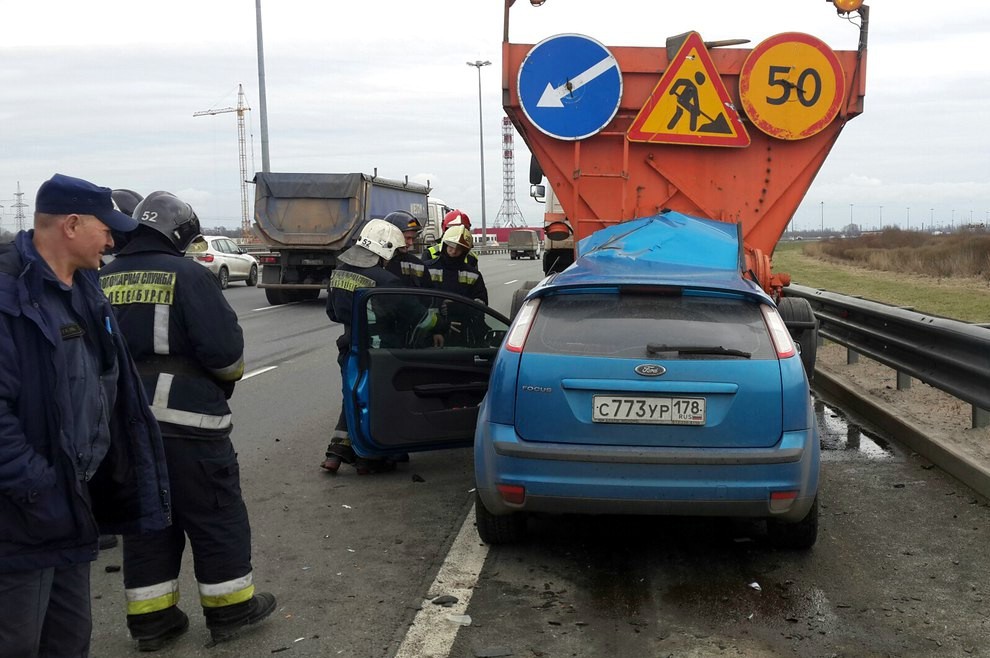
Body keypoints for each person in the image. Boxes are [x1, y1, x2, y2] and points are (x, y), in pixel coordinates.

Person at [0, 173, 172, 657]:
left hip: (73, 505)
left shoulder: (85, 289)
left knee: (70, 640)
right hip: (23, 518)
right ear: (71, 225)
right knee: (17, 643)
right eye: (107, 228)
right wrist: (40, 489)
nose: (113, 239)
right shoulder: (10, 297)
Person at [99, 191, 276, 650]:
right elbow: (226, 357)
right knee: (216, 515)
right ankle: (230, 610)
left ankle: (152, 622)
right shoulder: (190, 276)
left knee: (147, 522)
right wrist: (219, 383)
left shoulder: (104, 277)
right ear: (180, 234)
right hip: (190, 425)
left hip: (127, 424)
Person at [322, 219, 417, 475]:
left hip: (349, 348)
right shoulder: (386, 280)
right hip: (379, 352)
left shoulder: (339, 272)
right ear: (384, 248)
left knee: (352, 396)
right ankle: (371, 457)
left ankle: (337, 451)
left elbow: (332, 312)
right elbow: (412, 316)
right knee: (378, 401)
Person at [424, 226, 489, 348]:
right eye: (451, 246)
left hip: (464, 333)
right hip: (432, 332)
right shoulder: (427, 269)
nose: (453, 251)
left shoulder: (473, 274)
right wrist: (437, 326)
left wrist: (462, 307)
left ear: (465, 251)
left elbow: (482, 304)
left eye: (459, 249)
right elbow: (419, 301)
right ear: (444, 245)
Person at [384, 210, 432, 288]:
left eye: (413, 239)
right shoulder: (372, 261)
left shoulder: (419, 265)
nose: (411, 243)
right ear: (391, 235)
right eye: (407, 238)